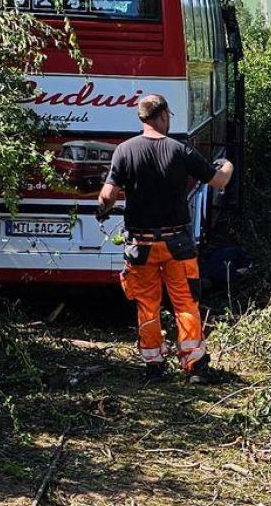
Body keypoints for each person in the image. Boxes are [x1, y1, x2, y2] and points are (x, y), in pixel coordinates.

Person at [95, 94, 233, 379]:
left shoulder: (124, 151)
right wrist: (227, 164)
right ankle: (195, 365)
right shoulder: (179, 150)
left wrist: (103, 210)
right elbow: (218, 179)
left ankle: (154, 365)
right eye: (168, 115)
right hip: (177, 244)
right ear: (161, 116)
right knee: (185, 302)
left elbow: (107, 196)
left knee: (147, 304)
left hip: (140, 244)